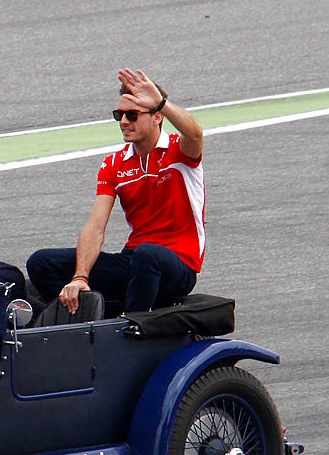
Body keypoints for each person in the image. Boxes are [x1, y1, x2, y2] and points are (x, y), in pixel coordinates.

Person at [27, 68, 204, 316]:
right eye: (119, 114)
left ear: (157, 117)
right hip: (135, 260)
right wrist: (80, 277)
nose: (123, 122)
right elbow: (95, 226)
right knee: (42, 262)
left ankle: (131, 327)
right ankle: (82, 322)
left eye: (132, 115)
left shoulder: (178, 151)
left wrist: (162, 103)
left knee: (147, 254)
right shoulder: (114, 164)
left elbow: (195, 132)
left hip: (177, 267)